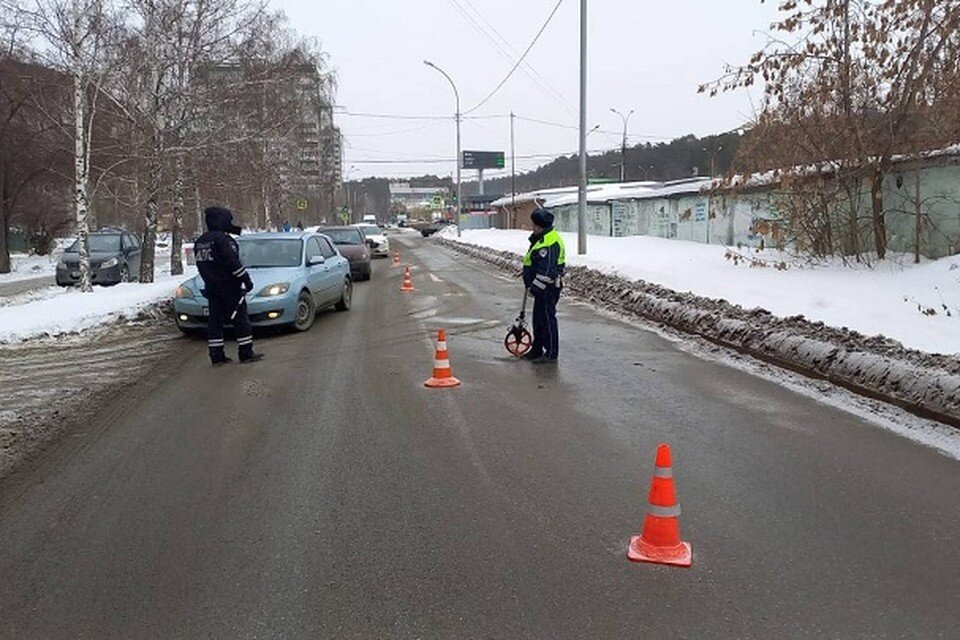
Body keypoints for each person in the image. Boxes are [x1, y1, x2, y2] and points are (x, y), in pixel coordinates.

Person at [194, 206, 263, 365]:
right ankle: (246, 353)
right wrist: (246, 280)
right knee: (241, 320)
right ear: (222, 221)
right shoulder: (222, 240)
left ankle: (216, 356)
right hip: (230, 288)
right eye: (228, 221)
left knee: (215, 323)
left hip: (211, 288)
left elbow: (201, 266)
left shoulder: (201, 241)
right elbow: (233, 263)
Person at [522, 208, 565, 363]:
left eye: (534, 225)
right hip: (541, 288)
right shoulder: (541, 238)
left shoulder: (550, 242)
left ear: (540, 226)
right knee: (539, 319)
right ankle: (537, 349)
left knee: (547, 319)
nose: (532, 227)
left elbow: (547, 271)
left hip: (548, 288)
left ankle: (551, 352)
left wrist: (535, 286)